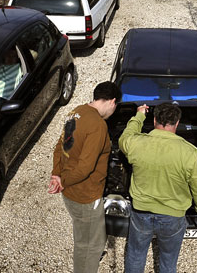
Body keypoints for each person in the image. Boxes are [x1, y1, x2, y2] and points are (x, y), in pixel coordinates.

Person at [119, 103, 197, 273]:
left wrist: (139, 116)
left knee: (136, 255)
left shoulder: (135, 144)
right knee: (169, 260)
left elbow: (125, 137)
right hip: (173, 215)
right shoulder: (189, 152)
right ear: (177, 123)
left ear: (154, 120)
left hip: (141, 213)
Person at [49, 82, 122, 273]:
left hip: (70, 192)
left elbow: (59, 148)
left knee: (82, 237)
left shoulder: (75, 112)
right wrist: (61, 181)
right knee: (90, 246)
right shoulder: (98, 125)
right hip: (86, 196)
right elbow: (86, 167)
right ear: (113, 101)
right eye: (115, 107)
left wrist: (57, 175)